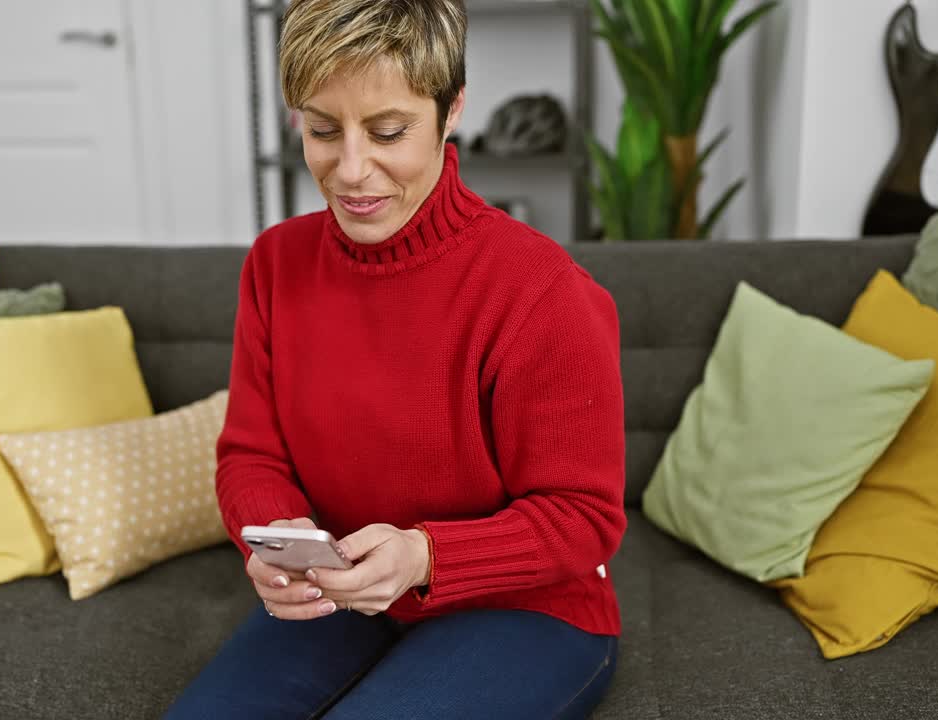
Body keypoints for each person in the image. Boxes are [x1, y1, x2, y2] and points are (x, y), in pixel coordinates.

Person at [165, 1, 626, 717]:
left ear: (451, 111)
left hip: (529, 607)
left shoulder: (544, 292)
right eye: (322, 129)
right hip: (343, 590)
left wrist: (425, 557)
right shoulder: (275, 265)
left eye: (388, 131)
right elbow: (251, 454)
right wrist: (277, 531)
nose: (351, 170)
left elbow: (583, 518)